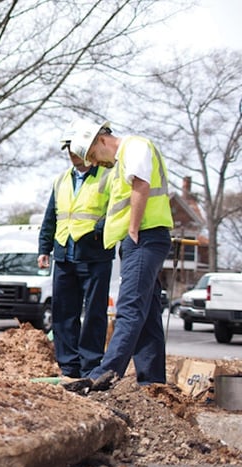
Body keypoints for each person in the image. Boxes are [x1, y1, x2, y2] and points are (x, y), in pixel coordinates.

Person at [67, 119, 173, 387]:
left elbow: (141, 185)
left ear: (102, 140)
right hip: (139, 239)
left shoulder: (134, 147)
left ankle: (105, 374)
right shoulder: (119, 162)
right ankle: (152, 382)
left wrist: (133, 229)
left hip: (144, 236)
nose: (95, 162)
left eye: (93, 155)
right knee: (147, 313)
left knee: (129, 308)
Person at [37, 119, 114, 379]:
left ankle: (90, 366)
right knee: (63, 313)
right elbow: (51, 216)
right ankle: (68, 367)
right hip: (64, 254)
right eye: (68, 149)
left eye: (75, 148)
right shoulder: (61, 180)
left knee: (94, 313)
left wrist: (99, 231)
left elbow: (116, 210)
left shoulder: (107, 175)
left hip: (95, 255)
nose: (72, 153)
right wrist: (44, 248)